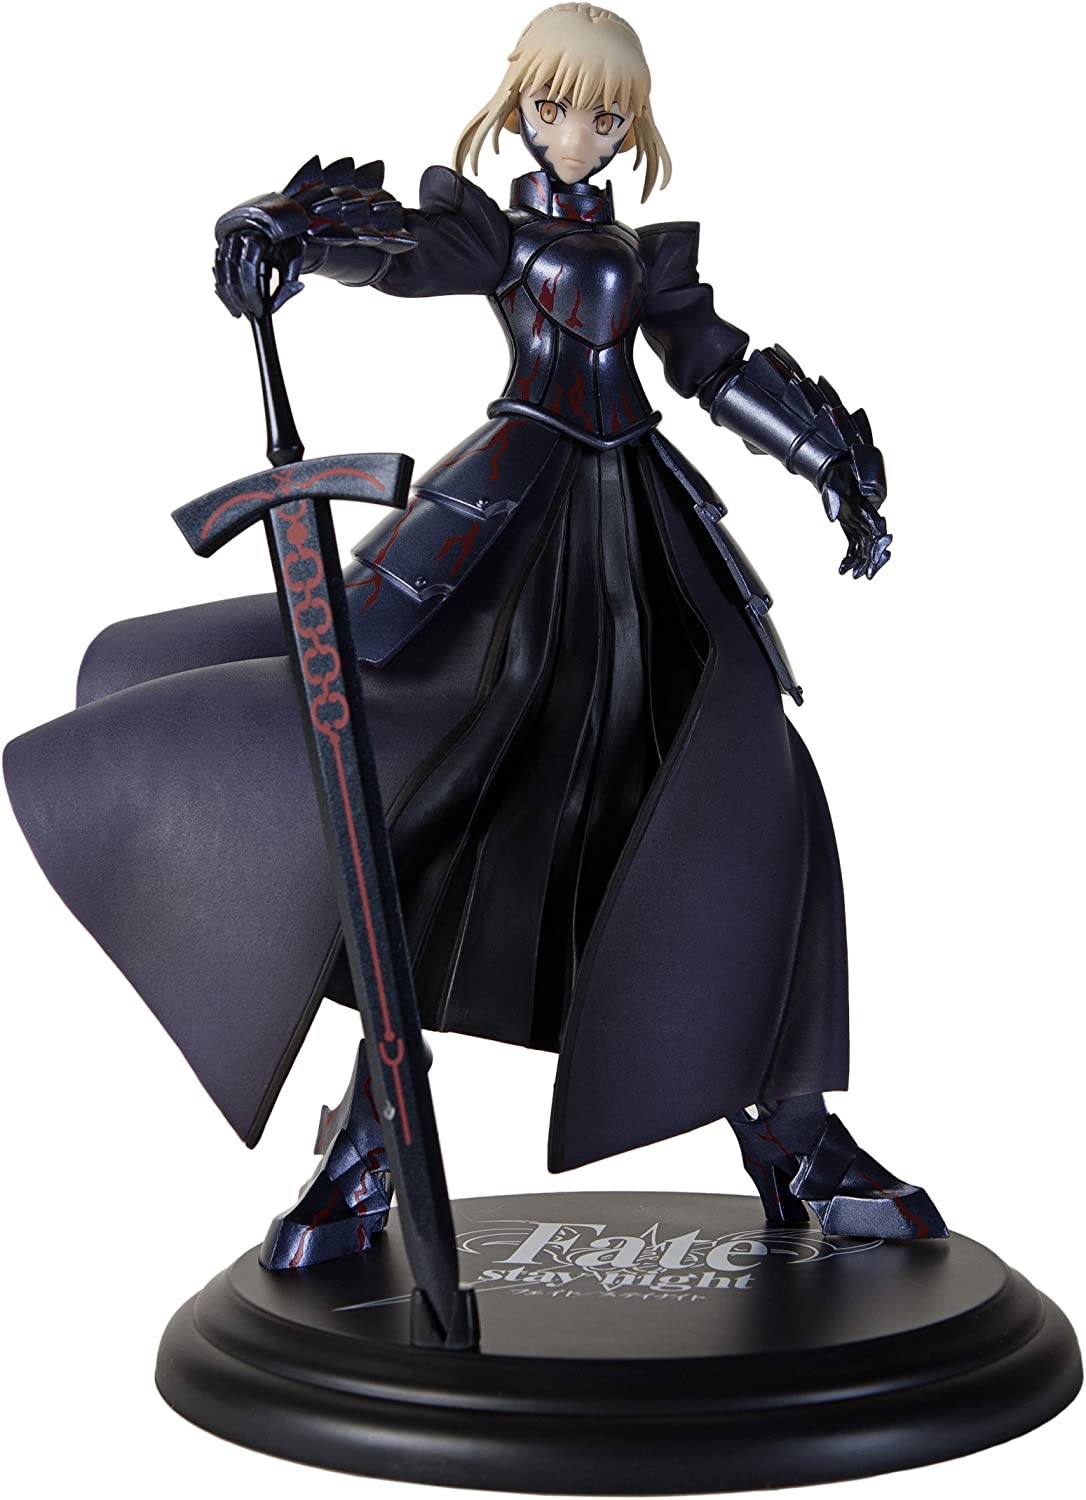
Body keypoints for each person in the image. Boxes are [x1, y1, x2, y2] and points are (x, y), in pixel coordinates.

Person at [3, 4, 945, 1269]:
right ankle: (373, 1137)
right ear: (521, 106)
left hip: (643, 541)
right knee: (426, 790)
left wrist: (835, 465)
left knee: (737, 784)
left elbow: (715, 366)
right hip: (512, 530)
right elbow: (397, 250)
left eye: (604, 113)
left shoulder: (645, 255)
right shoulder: (496, 235)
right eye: (554, 106)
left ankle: (791, 1127)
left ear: (632, 123)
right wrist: (287, 233)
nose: (578, 132)